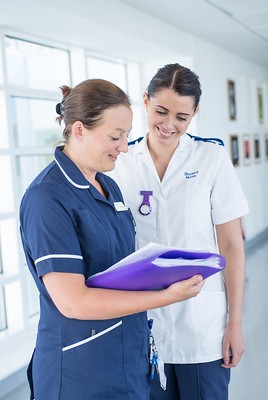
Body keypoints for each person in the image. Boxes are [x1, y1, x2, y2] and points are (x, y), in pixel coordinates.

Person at [19, 78, 204, 400]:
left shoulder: (108, 186)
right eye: (115, 137)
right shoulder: (46, 198)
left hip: (126, 353)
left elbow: (116, 268)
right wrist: (168, 296)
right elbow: (73, 302)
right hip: (80, 369)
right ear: (79, 130)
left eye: (127, 136)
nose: (123, 146)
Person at [109, 64, 249, 400]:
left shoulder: (211, 158)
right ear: (144, 101)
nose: (169, 125)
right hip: (140, 321)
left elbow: (231, 245)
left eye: (182, 117)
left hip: (202, 325)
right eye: (160, 111)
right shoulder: (119, 162)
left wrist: (234, 324)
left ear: (195, 114)